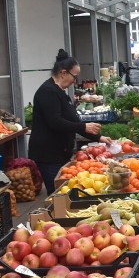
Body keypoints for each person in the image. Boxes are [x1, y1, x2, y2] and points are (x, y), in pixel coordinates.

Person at [29, 49, 110, 195]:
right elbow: (55, 122)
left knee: (65, 192)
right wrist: (84, 126)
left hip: (60, 153)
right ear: (63, 73)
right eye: (75, 76)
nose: (76, 81)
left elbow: (73, 122)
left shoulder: (60, 92)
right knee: (58, 193)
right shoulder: (48, 92)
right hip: (48, 155)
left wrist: (99, 138)